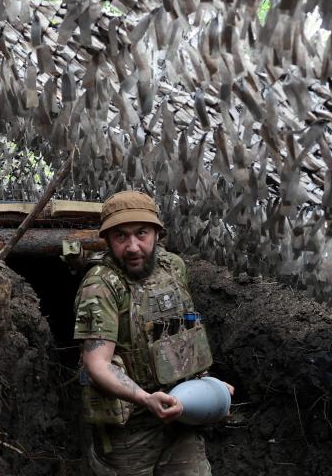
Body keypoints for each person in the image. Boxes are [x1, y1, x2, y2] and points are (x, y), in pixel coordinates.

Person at [73, 190, 233, 475]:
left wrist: (208, 386)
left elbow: (184, 332)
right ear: (107, 240)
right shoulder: (101, 286)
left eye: (142, 233)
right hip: (130, 432)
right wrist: (147, 399)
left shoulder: (173, 267)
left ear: (158, 233)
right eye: (121, 236)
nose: (133, 247)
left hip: (181, 413)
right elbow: (97, 363)